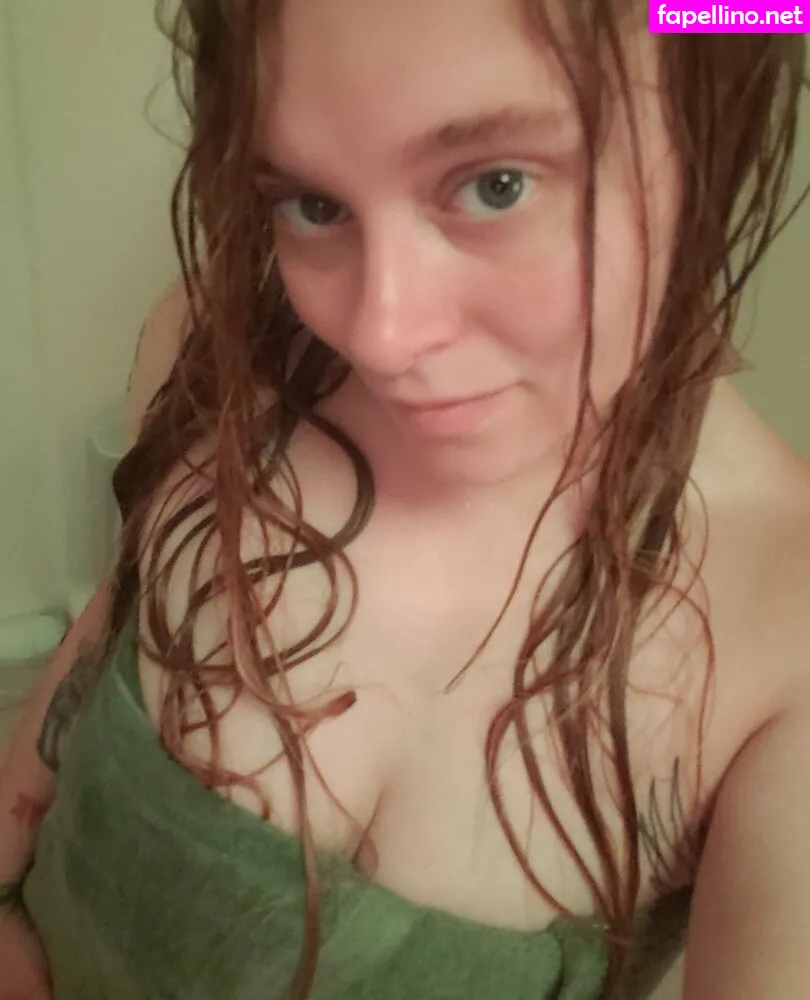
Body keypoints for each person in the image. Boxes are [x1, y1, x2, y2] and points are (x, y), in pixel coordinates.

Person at [1, 1, 809, 997]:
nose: (377, 334)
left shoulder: (788, 629)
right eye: (312, 203)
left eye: (497, 184)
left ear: (714, 101)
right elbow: (117, 617)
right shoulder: (227, 344)